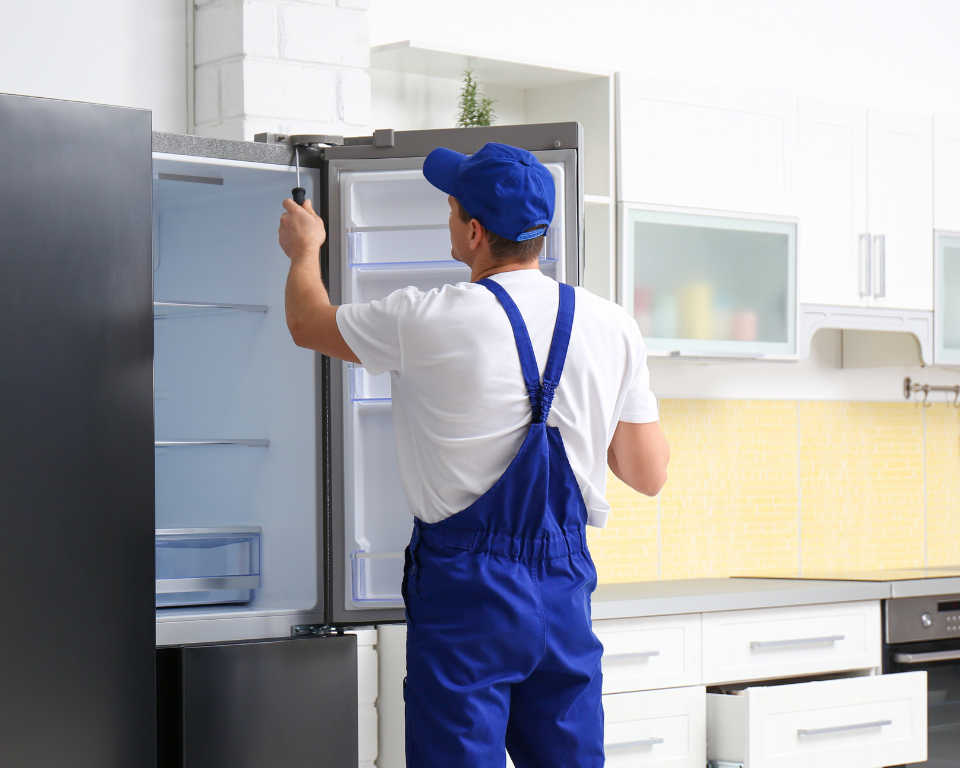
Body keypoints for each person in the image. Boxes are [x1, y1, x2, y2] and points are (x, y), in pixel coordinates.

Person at [277, 142, 670, 768]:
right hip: (563, 587)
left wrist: (306, 250)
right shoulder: (613, 324)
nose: (449, 218)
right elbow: (647, 475)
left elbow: (307, 322)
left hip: (467, 592)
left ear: (475, 232)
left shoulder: (424, 317)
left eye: (453, 207)